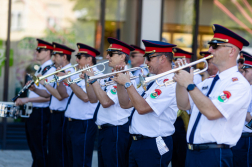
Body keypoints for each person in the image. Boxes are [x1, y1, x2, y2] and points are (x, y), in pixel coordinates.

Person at [173, 24, 251, 167]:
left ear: (231, 51)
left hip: (214, 154)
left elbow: (212, 112)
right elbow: (183, 105)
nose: (209, 50)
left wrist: (190, 85)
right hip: (193, 152)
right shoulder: (208, 81)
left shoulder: (238, 84)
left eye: (215, 46)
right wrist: (180, 80)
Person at [113, 40, 178, 167]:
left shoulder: (170, 82)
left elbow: (142, 108)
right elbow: (125, 104)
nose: (146, 62)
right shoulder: (151, 80)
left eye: (149, 58)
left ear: (163, 58)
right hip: (138, 142)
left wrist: (127, 83)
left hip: (153, 144)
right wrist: (120, 84)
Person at [85, 37, 136, 167]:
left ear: (122, 57)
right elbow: (92, 99)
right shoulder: (112, 75)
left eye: (111, 54)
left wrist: (94, 80)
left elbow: (106, 102)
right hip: (106, 131)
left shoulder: (125, 76)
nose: (107, 57)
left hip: (115, 131)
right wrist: (88, 80)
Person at [29, 42, 76, 167]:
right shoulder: (57, 71)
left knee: (59, 152)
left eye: (56, 55)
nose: (53, 58)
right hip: (54, 115)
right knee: (53, 151)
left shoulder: (69, 72)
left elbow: (60, 96)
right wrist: (35, 90)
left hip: (62, 116)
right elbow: (48, 95)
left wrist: (45, 83)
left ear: (64, 57)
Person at [57, 43, 100, 167]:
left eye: (79, 56)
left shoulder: (95, 74)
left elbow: (85, 97)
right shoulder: (77, 73)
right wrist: (60, 80)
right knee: (69, 158)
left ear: (89, 59)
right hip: (71, 121)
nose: (76, 60)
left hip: (84, 122)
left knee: (81, 160)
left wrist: (68, 80)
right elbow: (64, 94)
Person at [15, 39, 55, 167]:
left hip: (41, 112)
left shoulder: (50, 70)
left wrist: (27, 99)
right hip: (34, 112)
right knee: (34, 147)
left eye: (39, 50)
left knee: (39, 149)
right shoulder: (41, 69)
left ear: (48, 52)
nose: (36, 52)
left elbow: (49, 97)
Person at [172, 47, 203, 167]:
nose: (176, 61)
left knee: (181, 152)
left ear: (187, 60)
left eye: (180, 59)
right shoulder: (174, 72)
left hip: (185, 117)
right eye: (176, 59)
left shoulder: (197, 75)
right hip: (175, 115)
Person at [232, 50, 252, 167]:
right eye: (242, 71)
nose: (242, 74)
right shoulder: (245, 88)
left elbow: (247, 115)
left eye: (246, 71)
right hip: (239, 137)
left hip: (247, 138)